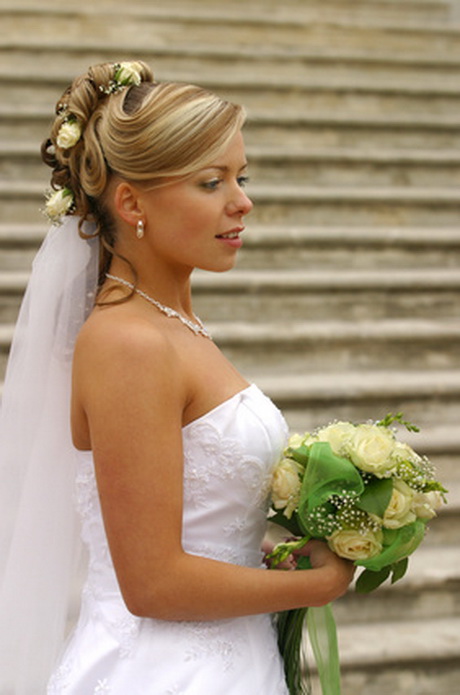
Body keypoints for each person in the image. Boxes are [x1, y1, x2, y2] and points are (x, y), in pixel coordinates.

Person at [0, 61, 354, 694]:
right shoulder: (128, 342)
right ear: (132, 201)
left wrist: (267, 559)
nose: (242, 201)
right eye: (211, 182)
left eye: (240, 178)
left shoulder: (173, 324)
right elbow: (153, 583)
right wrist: (317, 585)